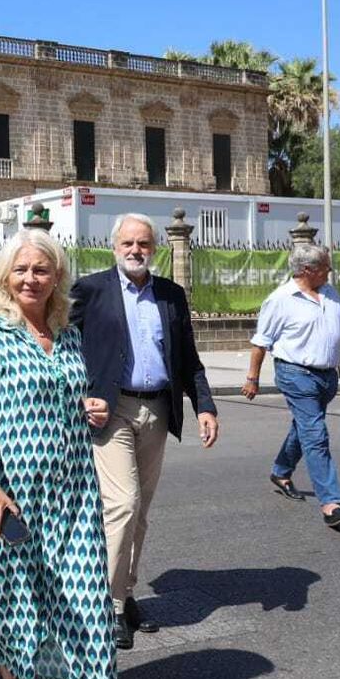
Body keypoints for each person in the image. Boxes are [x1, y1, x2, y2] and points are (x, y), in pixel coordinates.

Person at [0, 228, 118, 679]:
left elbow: (72, 397)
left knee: (90, 604)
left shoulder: (69, 335)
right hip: (12, 498)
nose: (31, 278)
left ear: (57, 277)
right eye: (22, 269)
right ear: (7, 276)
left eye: (42, 269)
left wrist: (93, 408)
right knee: (16, 603)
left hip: (72, 497)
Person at [70, 213, 220, 650]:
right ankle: (109, 605)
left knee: (141, 511)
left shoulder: (171, 295)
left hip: (157, 409)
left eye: (144, 244)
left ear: (155, 248)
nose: (136, 251)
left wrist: (205, 405)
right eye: (128, 244)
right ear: (114, 246)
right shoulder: (92, 289)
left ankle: (127, 591)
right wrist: (77, 393)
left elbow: (187, 357)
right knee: (123, 503)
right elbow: (64, 345)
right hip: (110, 410)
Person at [243, 243, 340, 529]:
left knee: (304, 427)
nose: (330, 270)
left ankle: (281, 471)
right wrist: (252, 378)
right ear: (307, 270)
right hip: (295, 373)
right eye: (326, 266)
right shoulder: (280, 299)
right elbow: (260, 343)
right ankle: (331, 503)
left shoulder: (329, 293)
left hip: (327, 376)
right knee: (316, 434)